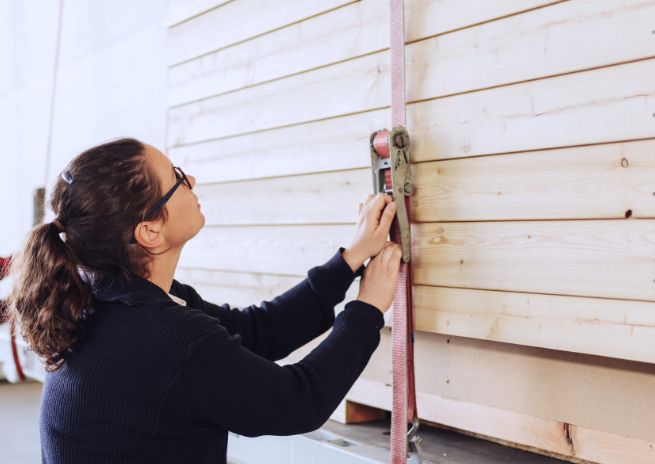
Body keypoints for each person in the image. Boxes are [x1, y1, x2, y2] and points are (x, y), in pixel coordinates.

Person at [4, 137, 402, 463]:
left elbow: (255, 332)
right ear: (149, 232)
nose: (190, 178)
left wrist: (348, 260)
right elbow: (299, 401)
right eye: (176, 178)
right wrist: (366, 310)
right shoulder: (165, 338)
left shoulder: (108, 297)